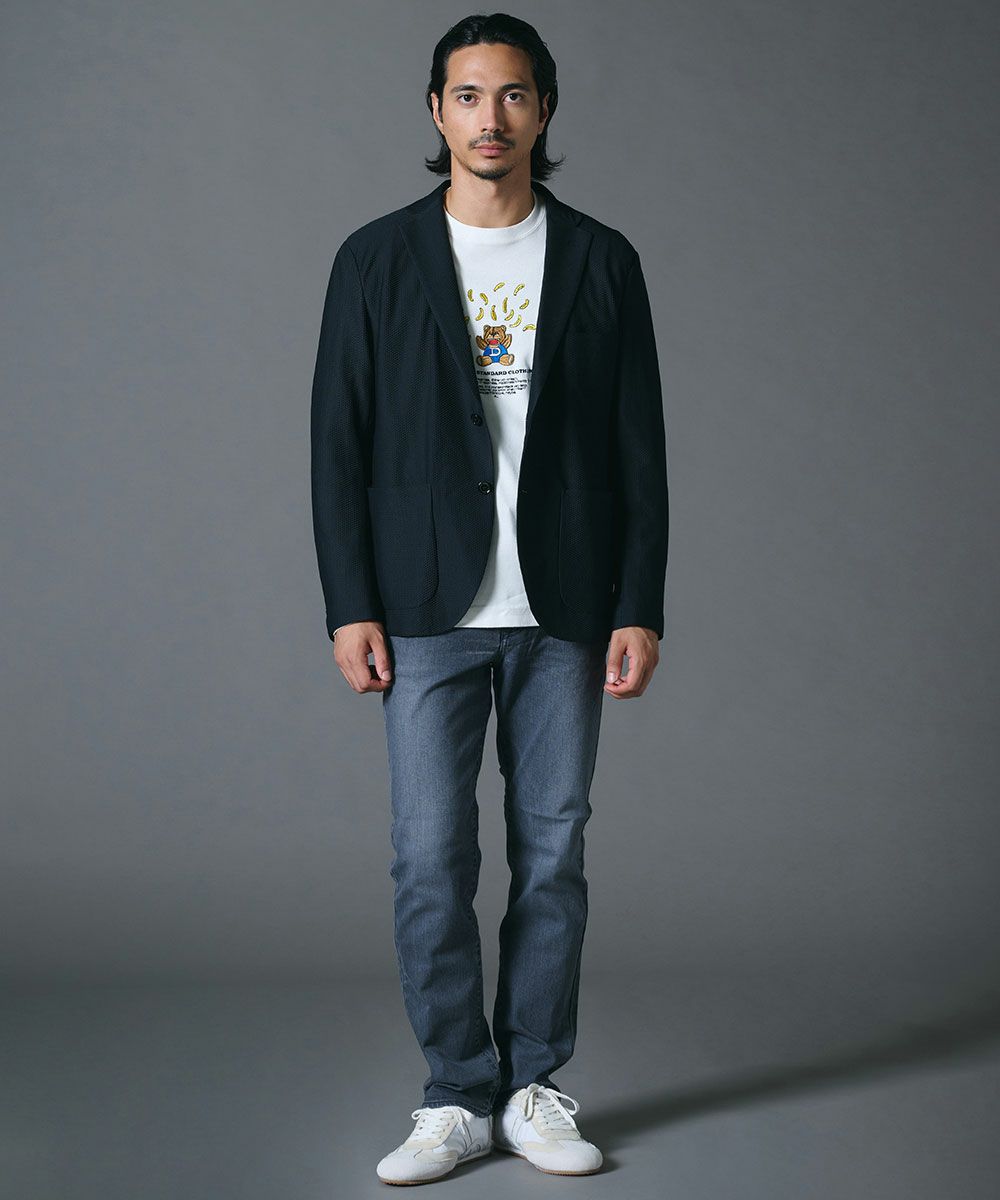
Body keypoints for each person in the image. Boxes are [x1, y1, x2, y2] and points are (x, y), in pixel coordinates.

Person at [310, 12, 669, 1186]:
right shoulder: (376, 259)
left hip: (564, 604)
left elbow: (639, 447)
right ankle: (455, 1094)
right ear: (435, 111)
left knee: (552, 854)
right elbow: (337, 442)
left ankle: (532, 1088)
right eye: (467, 95)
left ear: (544, 109)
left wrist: (639, 603)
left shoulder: (601, 259)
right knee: (428, 859)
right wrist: (348, 603)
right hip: (424, 607)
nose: (490, 118)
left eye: (512, 94)